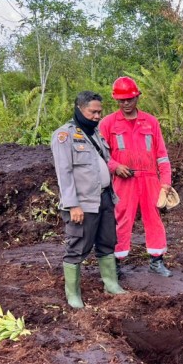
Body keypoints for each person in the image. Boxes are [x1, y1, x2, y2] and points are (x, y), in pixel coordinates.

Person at [51, 90, 126, 308]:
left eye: (99, 112)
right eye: (92, 112)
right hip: (82, 203)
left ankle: (111, 284)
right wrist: (72, 204)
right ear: (79, 109)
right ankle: (73, 295)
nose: (97, 116)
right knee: (78, 246)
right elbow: (64, 173)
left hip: (104, 198)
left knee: (107, 241)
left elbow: (105, 161)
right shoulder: (64, 136)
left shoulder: (95, 134)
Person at [100, 76, 173, 277]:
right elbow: (99, 155)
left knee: (154, 219)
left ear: (137, 97)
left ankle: (156, 262)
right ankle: (114, 264)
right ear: (116, 100)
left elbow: (162, 156)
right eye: (121, 100)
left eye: (129, 99)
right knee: (121, 218)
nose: (126, 104)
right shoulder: (108, 123)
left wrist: (165, 184)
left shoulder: (151, 122)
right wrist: (114, 167)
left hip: (150, 179)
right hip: (123, 180)